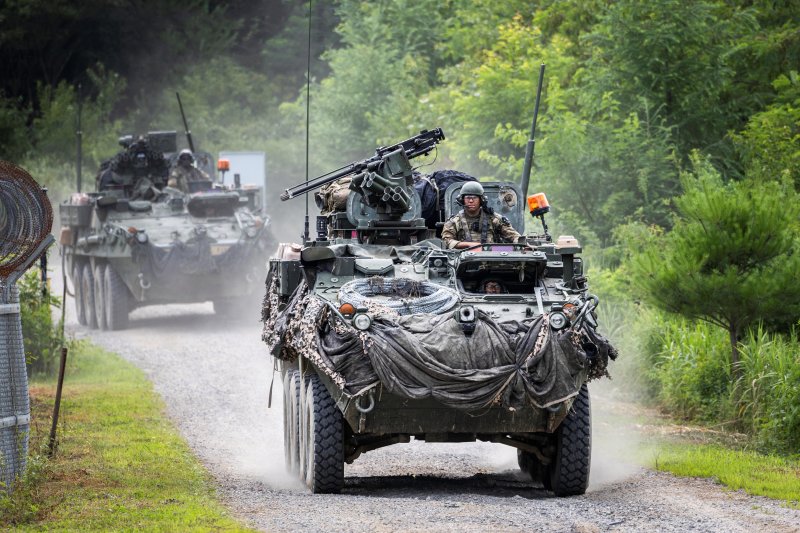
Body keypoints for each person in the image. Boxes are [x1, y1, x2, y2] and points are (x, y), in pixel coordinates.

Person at [440, 181, 521, 249]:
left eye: (474, 197)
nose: (471, 201)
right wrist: (469, 245)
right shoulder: (455, 221)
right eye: (468, 197)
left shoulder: (494, 218)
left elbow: (513, 235)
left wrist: (520, 242)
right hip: (464, 259)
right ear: (462, 200)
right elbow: (447, 240)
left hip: (491, 258)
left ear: (481, 200)